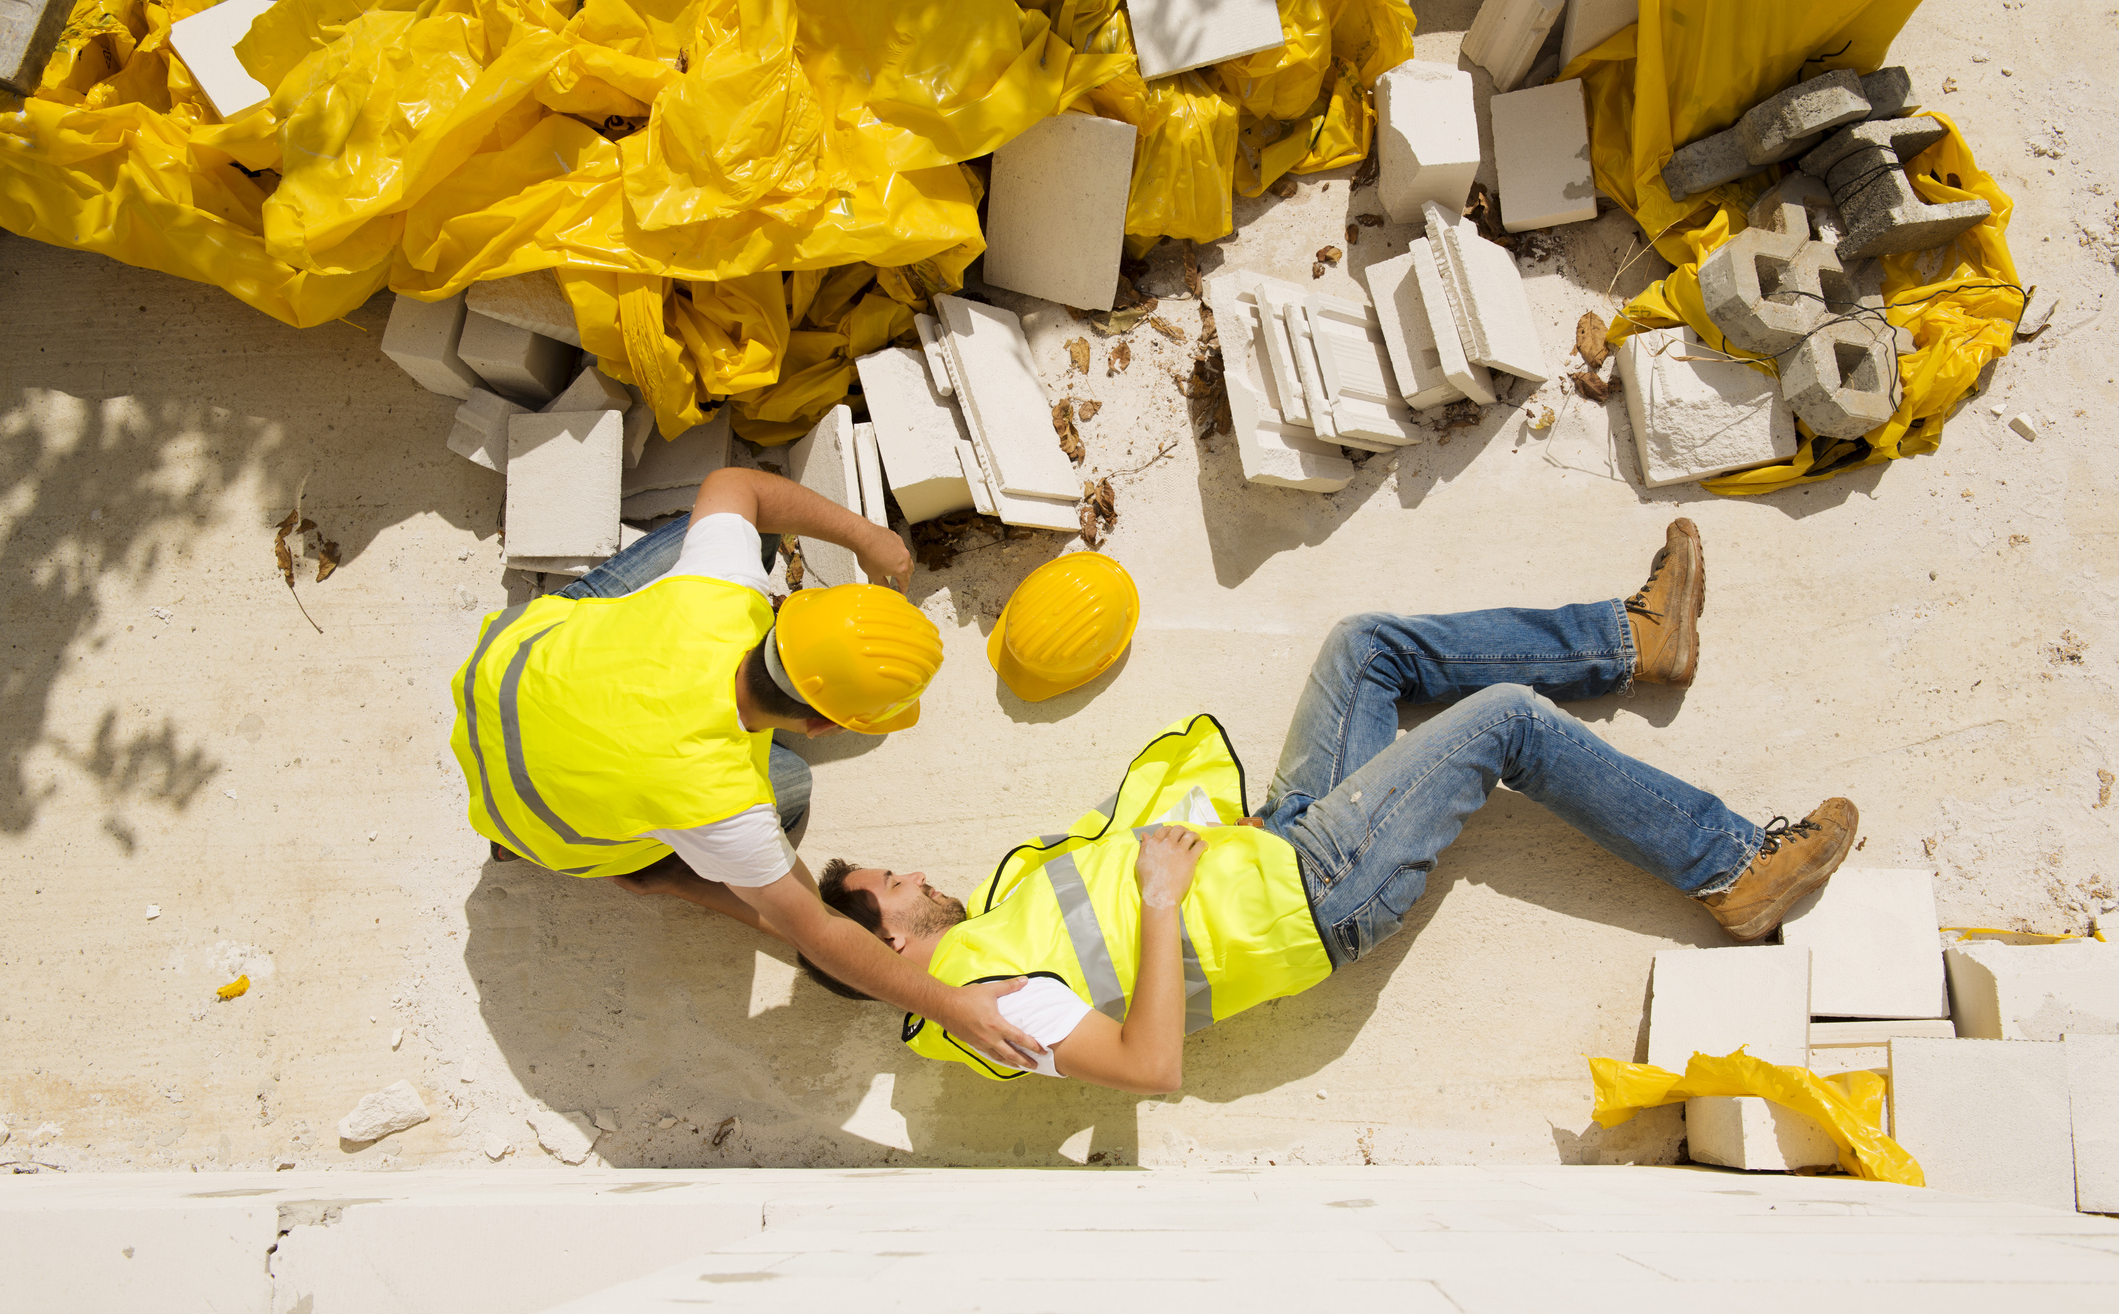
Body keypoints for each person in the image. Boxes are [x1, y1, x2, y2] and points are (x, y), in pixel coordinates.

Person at [799, 520, 1859, 1091]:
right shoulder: (990, 1007)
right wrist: (1166, 897)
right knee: (1504, 722)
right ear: (884, 931)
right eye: (888, 883)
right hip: (1321, 891)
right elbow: (1147, 1068)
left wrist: (1212, 842)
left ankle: (1634, 641)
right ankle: (1730, 867)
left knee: (1365, 648)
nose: (914, 875)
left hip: (1275, 843)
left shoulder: (986, 931)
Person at [449, 459, 1046, 1069]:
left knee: (749, 525)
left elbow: (737, 483)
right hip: (533, 822)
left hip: (503, 673)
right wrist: (947, 1005)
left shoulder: (722, 593)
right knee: (790, 786)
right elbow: (820, 933)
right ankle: (517, 846)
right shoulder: (724, 806)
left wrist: (867, 537)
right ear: (823, 725)